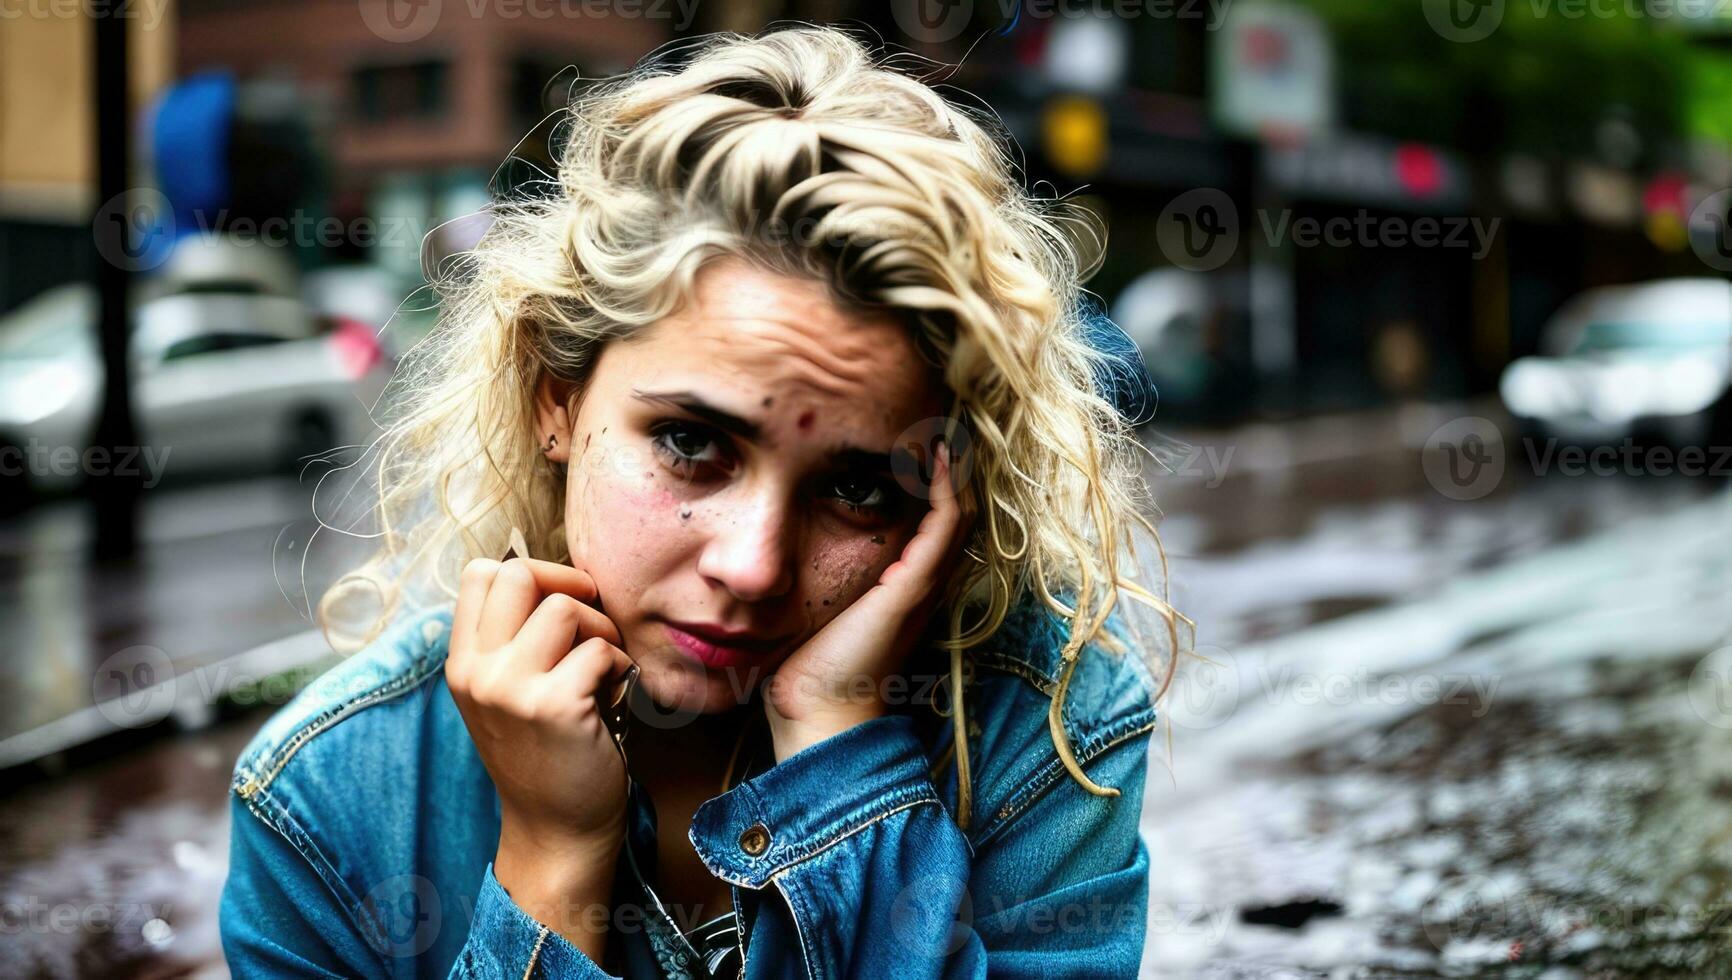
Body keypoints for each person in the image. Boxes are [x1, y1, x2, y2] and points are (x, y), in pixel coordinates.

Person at [220, 25, 1183, 979]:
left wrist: (841, 760)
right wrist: (551, 864)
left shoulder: (1045, 733)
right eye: (691, 444)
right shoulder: (330, 802)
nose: (754, 565)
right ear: (555, 398)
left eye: (855, 488)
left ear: (946, 498)